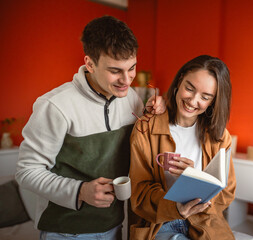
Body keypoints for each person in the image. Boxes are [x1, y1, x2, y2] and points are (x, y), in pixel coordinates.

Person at [15, 15, 165, 239]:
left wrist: (155, 115)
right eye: (115, 71)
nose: (127, 80)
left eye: (132, 68)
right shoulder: (54, 106)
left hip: (114, 225)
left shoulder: (131, 97)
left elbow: (138, 145)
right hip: (65, 230)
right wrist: (80, 191)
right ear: (90, 63)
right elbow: (26, 171)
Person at [129, 55, 236, 239]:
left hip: (204, 222)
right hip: (160, 223)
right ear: (180, 80)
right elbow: (139, 195)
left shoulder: (219, 137)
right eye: (189, 88)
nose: (193, 101)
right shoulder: (146, 129)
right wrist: (176, 208)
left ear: (213, 101)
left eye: (205, 97)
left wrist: (196, 179)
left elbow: (226, 192)